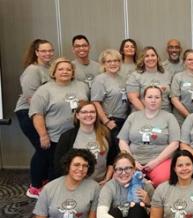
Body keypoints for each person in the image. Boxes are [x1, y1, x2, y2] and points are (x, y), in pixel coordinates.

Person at [28, 57, 90, 198]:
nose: (65, 72)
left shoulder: (82, 86)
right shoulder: (44, 90)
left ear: (73, 72)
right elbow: (37, 114)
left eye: (68, 69)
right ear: (54, 72)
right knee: (56, 168)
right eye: (60, 69)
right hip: (55, 136)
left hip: (77, 135)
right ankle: (53, 195)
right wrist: (43, 135)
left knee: (74, 166)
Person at [14, 39, 55, 198]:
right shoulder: (32, 70)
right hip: (29, 113)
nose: (48, 53)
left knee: (46, 149)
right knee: (43, 149)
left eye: (50, 50)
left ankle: (43, 180)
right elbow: (32, 99)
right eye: (43, 51)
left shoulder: (48, 68)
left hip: (43, 114)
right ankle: (35, 187)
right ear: (36, 52)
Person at [118, 85, 180, 187]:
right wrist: (131, 161)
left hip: (160, 161)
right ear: (143, 99)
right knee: (122, 178)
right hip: (134, 160)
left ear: (162, 99)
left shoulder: (169, 117)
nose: (153, 100)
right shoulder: (133, 117)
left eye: (157, 97)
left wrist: (156, 162)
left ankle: (150, 192)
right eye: (150, 97)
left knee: (163, 180)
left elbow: (174, 144)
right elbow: (122, 141)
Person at [55, 101, 118, 185]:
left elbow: (113, 159)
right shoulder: (67, 137)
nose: (89, 115)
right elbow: (59, 165)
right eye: (84, 112)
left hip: (101, 184)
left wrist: (107, 179)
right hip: (77, 184)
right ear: (77, 115)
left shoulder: (106, 133)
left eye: (92, 112)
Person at [91, 49, 129, 138]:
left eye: (116, 61)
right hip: (110, 121)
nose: (113, 64)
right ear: (104, 64)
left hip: (124, 120)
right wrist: (106, 121)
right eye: (109, 61)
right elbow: (96, 102)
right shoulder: (99, 80)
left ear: (120, 63)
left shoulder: (123, 79)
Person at [126, 46, 172, 112]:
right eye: (147, 56)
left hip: (165, 113)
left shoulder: (166, 74)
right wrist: (148, 113)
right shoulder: (135, 75)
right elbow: (133, 98)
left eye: (153, 55)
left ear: (157, 57)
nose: (150, 58)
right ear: (143, 59)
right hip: (143, 114)